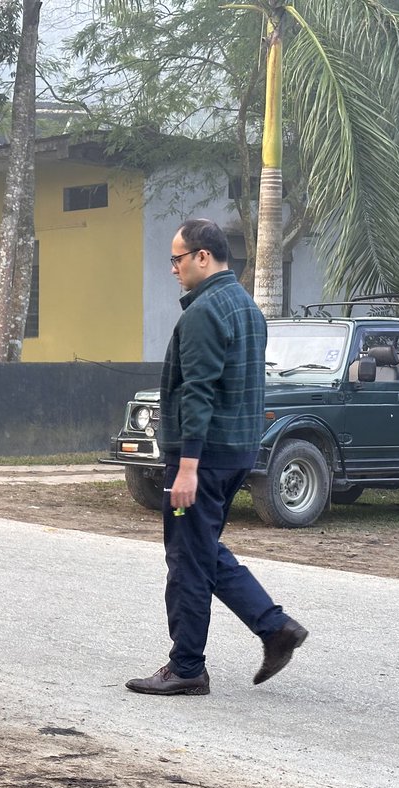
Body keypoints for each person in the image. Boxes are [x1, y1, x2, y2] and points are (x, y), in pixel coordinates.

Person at [126, 219, 308, 697]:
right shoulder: (248, 308)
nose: (173, 269)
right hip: (235, 452)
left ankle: (191, 664)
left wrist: (187, 466)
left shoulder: (205, 312)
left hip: (202, 461)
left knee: (187, 556)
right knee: (200, 549)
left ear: (202, 256)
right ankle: (269, 629)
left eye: (177, 259)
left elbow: (200, 394)